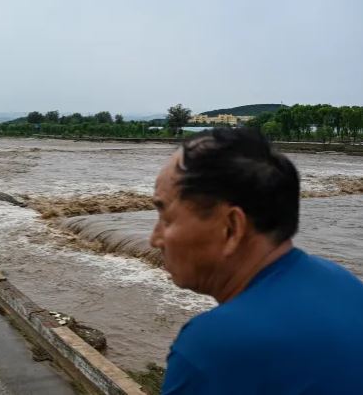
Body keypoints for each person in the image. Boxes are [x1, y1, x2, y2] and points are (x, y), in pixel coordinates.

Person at [150, 128, 363, 394]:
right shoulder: (341, 281)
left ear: (231, 228)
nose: (154, 239)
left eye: (166, 218)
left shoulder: (214, 347)